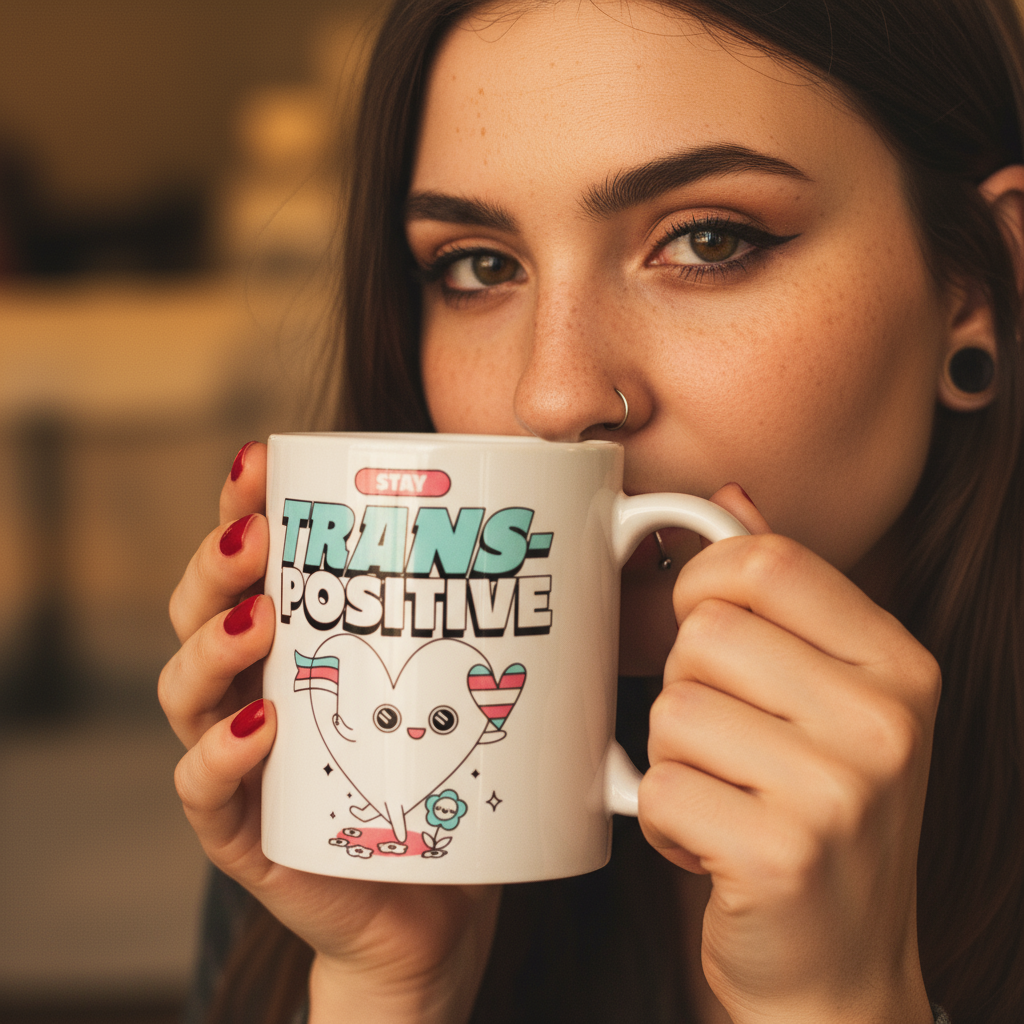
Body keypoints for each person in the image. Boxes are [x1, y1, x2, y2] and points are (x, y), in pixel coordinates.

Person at [160, 1, 1024, 1021]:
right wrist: (384, 985)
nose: (554, 397)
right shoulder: (361, 785)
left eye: (708, 240)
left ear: (980, 282)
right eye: (480, 265)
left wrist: (844, 1004)